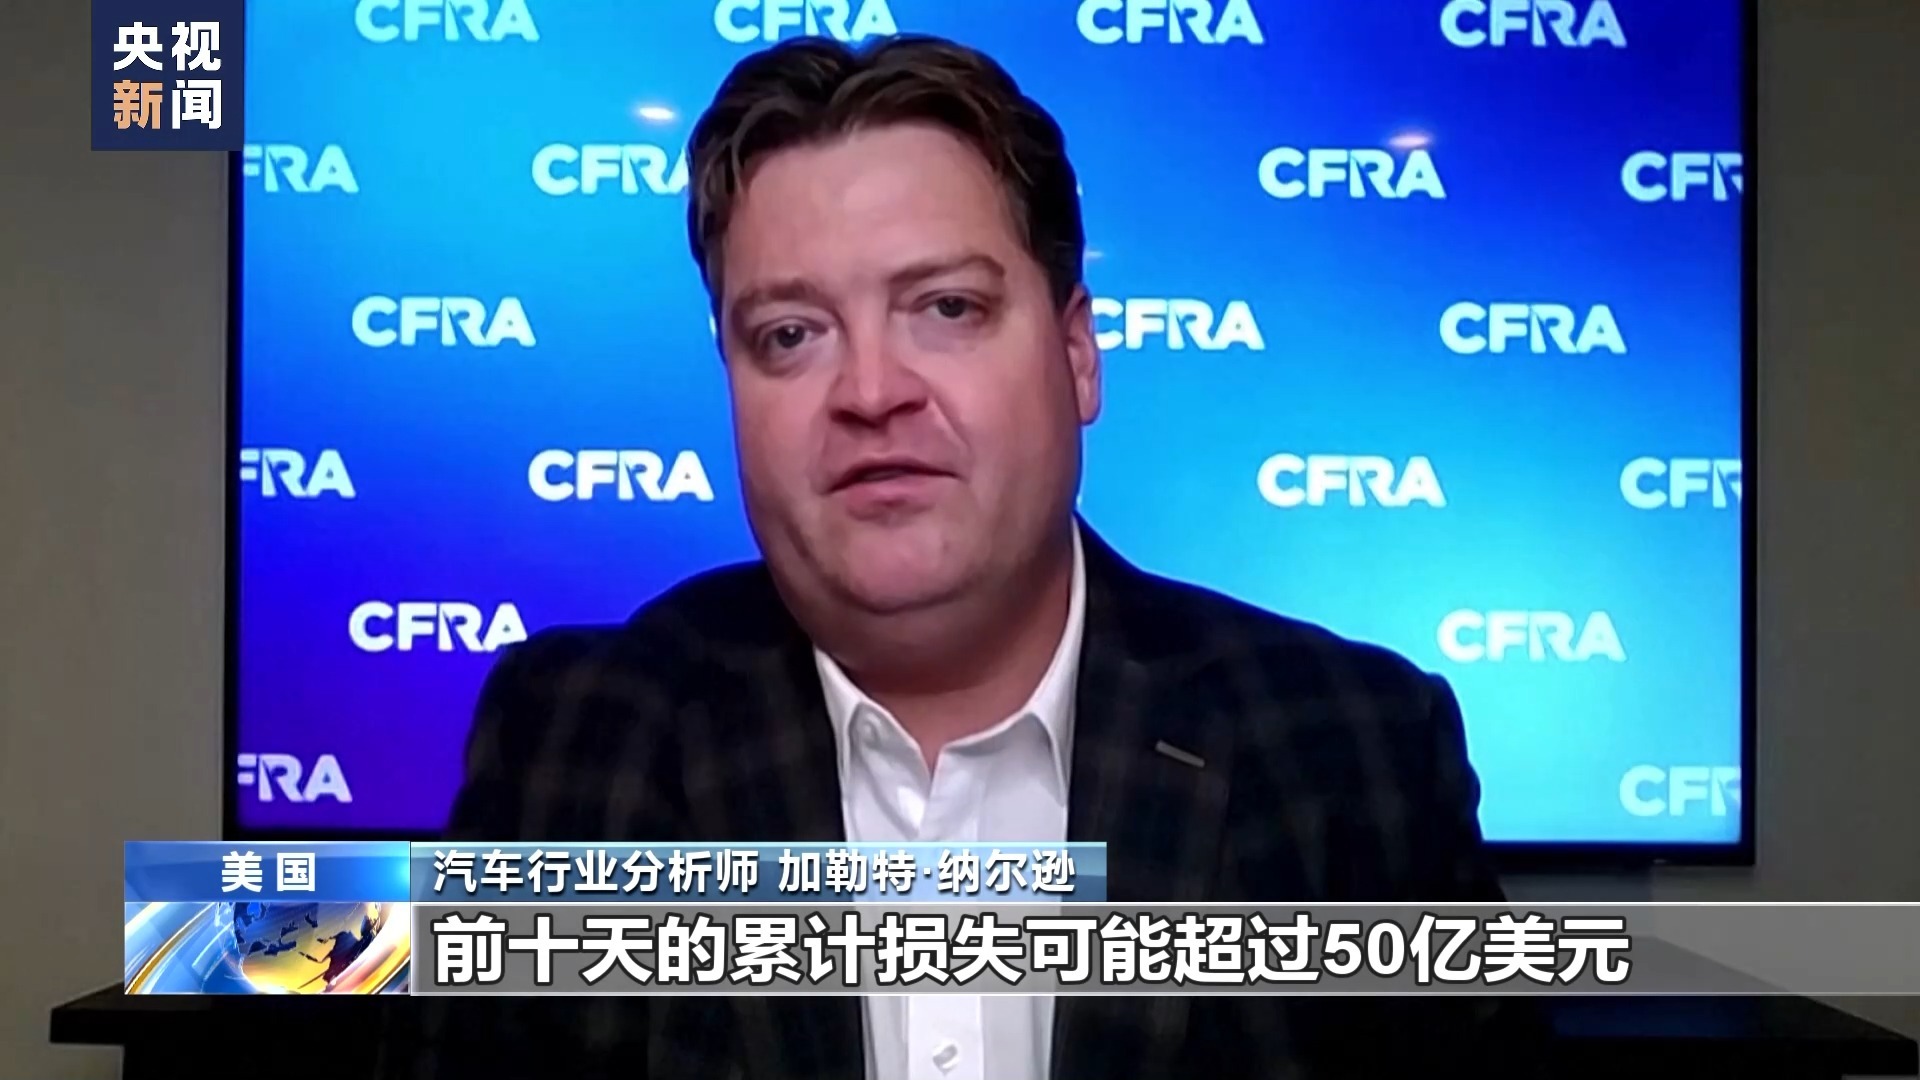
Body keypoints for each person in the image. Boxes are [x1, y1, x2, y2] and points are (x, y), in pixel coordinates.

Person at [379, 33, 1543, 1080]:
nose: (872, 392)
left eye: (945, 309)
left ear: (1078, 354)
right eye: (791, 335)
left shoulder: (1350, 749)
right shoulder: (576, 743)